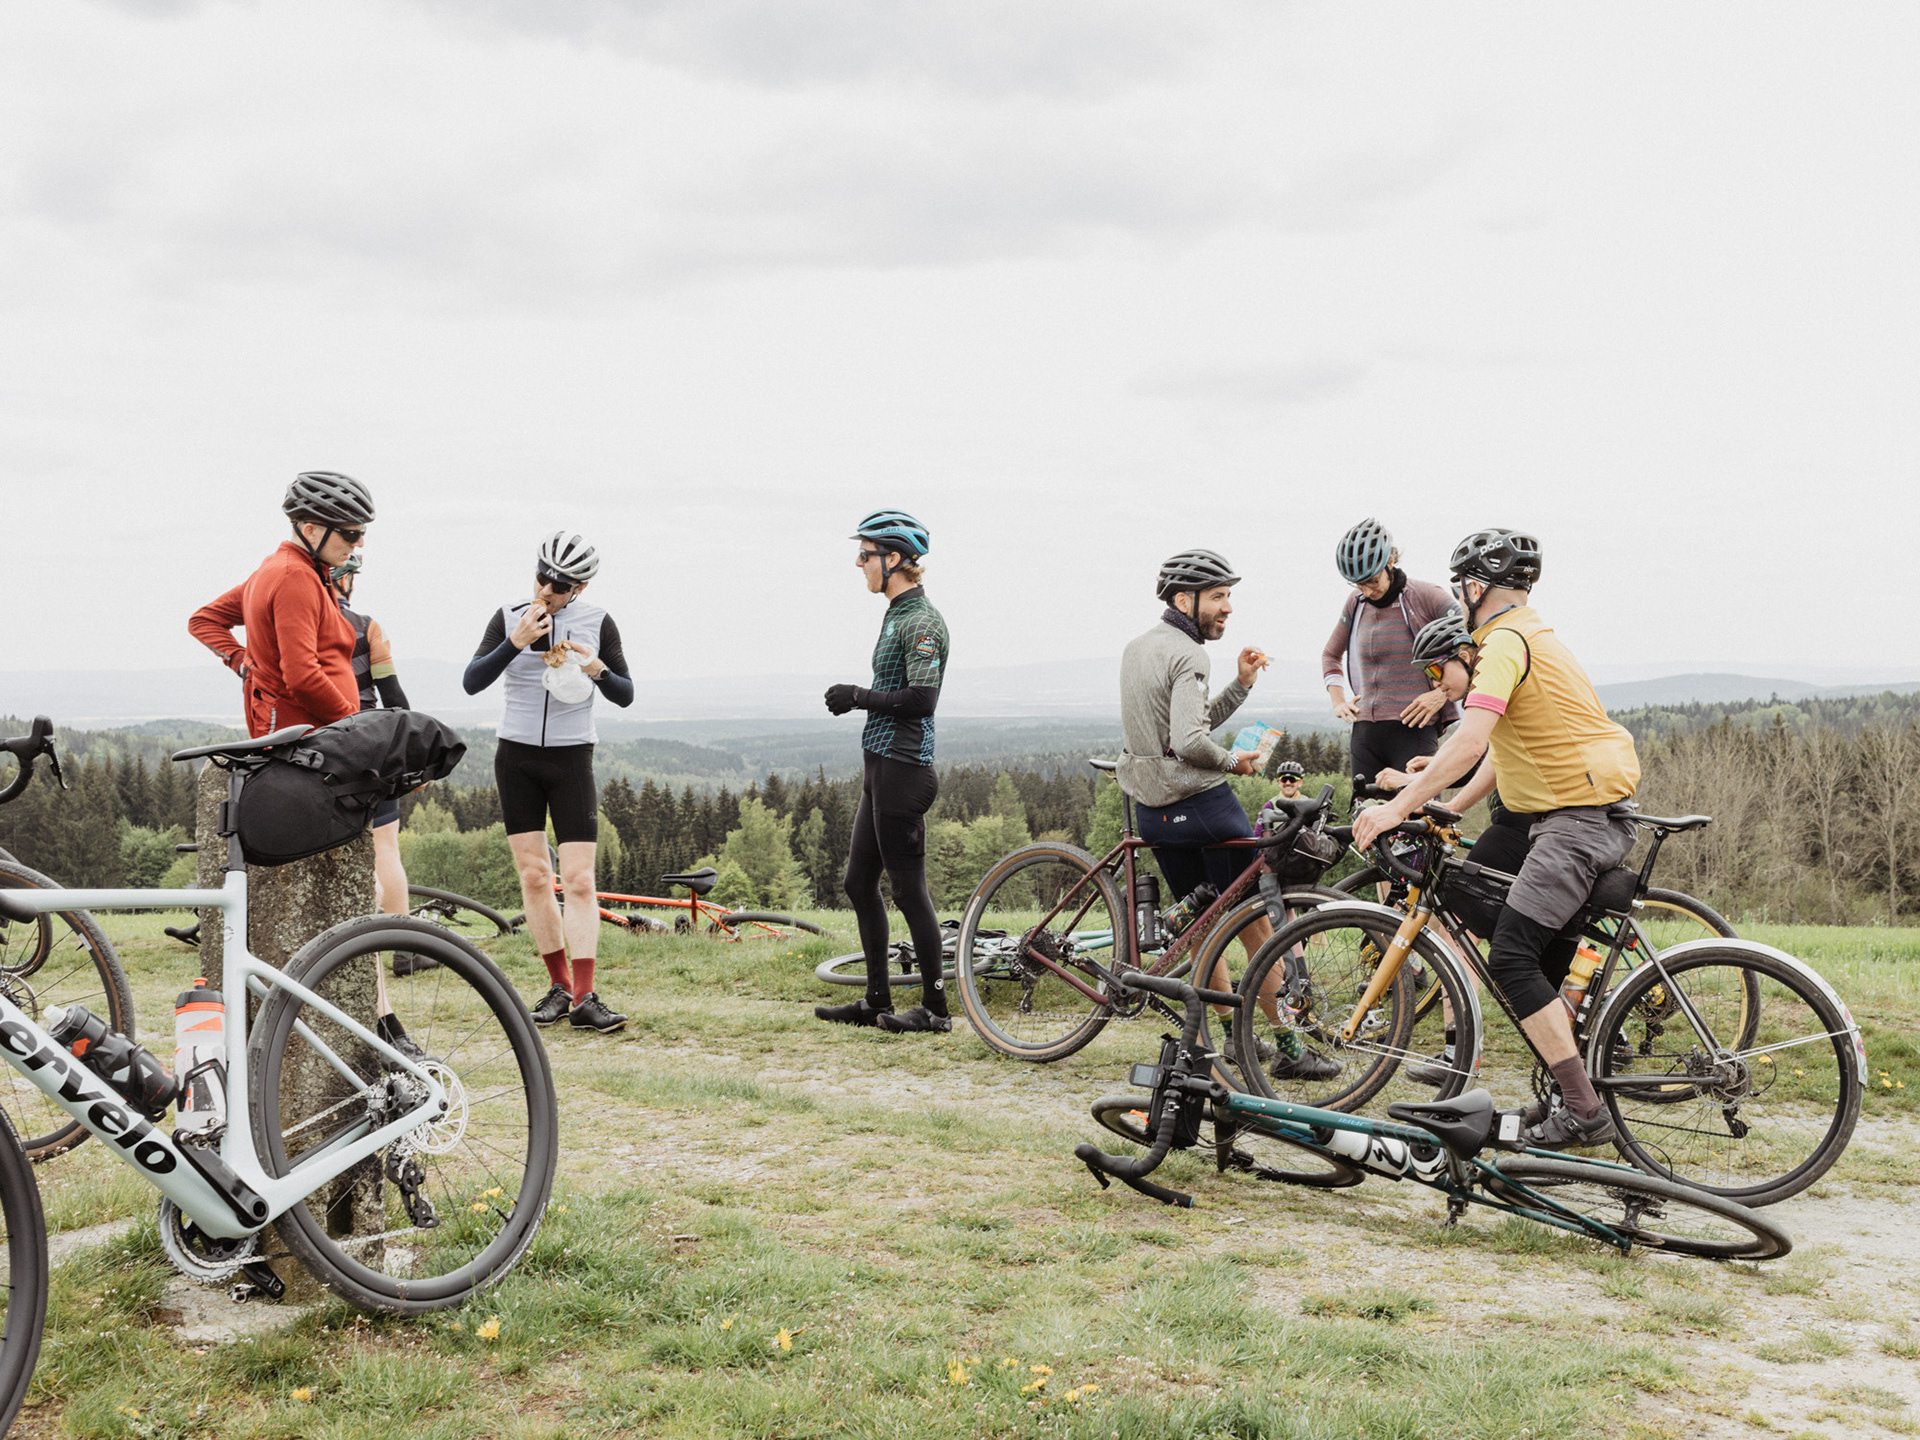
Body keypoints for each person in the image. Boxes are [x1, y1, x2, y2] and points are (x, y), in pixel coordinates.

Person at [1354, 530, 1641, 1148]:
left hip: (1577, 819)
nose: (1458, 597)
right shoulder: (1528, 635)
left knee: (1509, 955)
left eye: (1461, 586)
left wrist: (1397, 808)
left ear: (1476, 587)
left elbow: (1470, 737)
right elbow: (1499, 750)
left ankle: (1585, 1112)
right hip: (1573, 813)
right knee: (1533, 951)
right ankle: (1567, 1088)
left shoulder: (1505, 643)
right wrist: (1434, 792)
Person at [186, 471, 426, 1059]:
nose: (357, 546)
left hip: (311, 738)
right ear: (311, 526)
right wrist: (360, 726)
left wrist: (244, 664)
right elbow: (302, 673)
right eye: (349, 534)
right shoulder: (293, 576)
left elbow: (208, 621)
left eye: (362, 534)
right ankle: (370, 1022)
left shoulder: (286, 569)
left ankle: (371, 1015)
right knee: (344, 885)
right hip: (314, 746)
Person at [1117, 549, 1335, 1081]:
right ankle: (1287, 1043)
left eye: (1228, 595)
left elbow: (1177, 732)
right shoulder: (1191, 655)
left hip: (1153, 808)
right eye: (1218, 596)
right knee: (1256, 923)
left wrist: (1240, 686)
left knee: (1202, 924)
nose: (1228, 607)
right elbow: (1191, 741)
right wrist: (1234, 761)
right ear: (1182, 599)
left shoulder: (1139, 647)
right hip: (1202, 806)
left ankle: (1228, 1037)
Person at [463, 532, 634, 1034]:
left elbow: (624, 694)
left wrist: (596, 667)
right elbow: (472, 681)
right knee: (536, 876)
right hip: (515, 755)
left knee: (579, 879)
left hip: (570, 756)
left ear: (578, 587)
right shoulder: (507, 614)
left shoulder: (598, 621)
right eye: (542, 577)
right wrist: (515, 641)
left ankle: (586, 997)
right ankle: (559, 987)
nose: (547, 589)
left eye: (559, 585)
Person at [814, 511, 952, 1034]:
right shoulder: (896, 612)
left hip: (903, 768)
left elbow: (922, 698)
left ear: (893, 559)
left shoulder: (921, 621)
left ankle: (936, 1010)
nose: (858, 562)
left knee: (910, 891)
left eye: (866, 554)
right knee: (857, 882)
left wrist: (857, 697)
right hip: (880, 768)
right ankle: (876, 1000)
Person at [329, 553, 434, 978]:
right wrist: (414, 758)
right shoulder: (367, 626)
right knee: (385, 849)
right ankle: (402, 949)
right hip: (367, 745)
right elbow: (394, 696)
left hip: (316, 749)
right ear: (345, 580)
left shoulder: (297, 621)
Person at [1322, 518, 1460, 788]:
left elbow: (1472, 643)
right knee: (1366, 820)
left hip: (1414, 729)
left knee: (1417, 821)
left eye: (1372, 581)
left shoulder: (1426, 595)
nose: (1367, 591)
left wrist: (1441, 694)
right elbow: (1330, 655)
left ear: (1390, 561)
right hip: (1365, 733)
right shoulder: (1356, 602)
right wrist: (1338, 701)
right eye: (1358, 584)